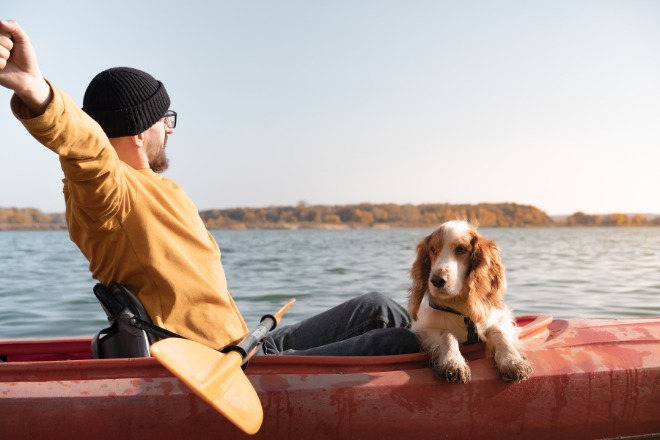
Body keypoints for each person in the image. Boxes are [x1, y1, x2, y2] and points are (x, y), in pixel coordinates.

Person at [0, 20, 421, 356]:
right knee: (406, 344)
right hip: (219, 370)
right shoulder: (108, 191)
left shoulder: (155, 188)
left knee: (377, 307)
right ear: (137, 130)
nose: (169, 129)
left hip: (247, 345)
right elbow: (84, 146)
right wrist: (37, 91)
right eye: (165, 119)